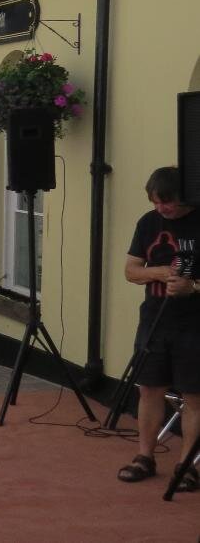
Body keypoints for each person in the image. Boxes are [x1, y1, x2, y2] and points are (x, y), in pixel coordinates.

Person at [117, 166, 199, 492]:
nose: (161, 209)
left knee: (194, 396)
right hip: (154, 319)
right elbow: (131, 270)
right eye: (155, 202)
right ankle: (144, 457)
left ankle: (188, 465)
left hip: (194, 324)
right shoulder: (148, 223)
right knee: (149, 389)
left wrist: (192, 287)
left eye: (168, 203)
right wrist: (162, 272)